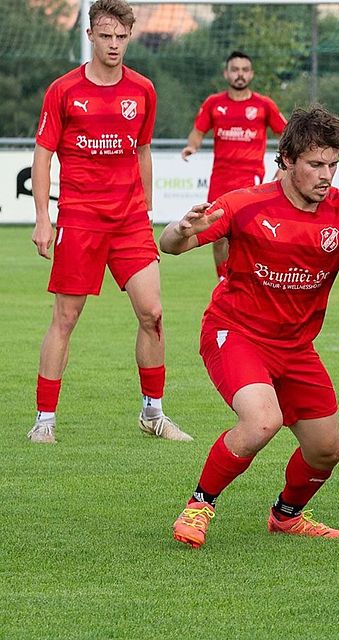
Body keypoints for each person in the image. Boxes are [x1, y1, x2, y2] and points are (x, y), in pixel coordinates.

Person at [160, 106, 339, 549]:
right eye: (316, 164)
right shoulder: (245, 204)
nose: (326, 175)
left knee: (326, 449)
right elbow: (171, 245)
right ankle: (200, 504)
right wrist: (181, 229)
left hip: (296, 347)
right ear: (287, 160)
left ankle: (286, 516)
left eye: (334, 164)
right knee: (262, 422)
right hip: (235, 333)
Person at [27, 0, 191, 444]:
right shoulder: (63, 90)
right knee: (66, 317)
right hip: (79, 220)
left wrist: (147, 209)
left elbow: (141, 150)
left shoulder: (143, 90)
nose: (114, 44)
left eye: (121, 37)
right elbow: (43, 156)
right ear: (91, 36)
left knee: (153, 314)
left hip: (130, 223)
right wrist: (43, 219)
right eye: (106, 36)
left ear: (128, 37)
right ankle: (44, 420)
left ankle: (153, 413)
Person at [181, 51, 287, 280]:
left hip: (251, 180)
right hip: (220, 179)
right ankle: (223, 279)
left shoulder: (264, 105)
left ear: (251, 74)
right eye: (235, 69)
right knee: (216, 232)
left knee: (250, 232)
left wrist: (285, 165)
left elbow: (288, 135)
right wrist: (192, 147)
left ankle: (252, 276)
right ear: (226, 73)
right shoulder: (214, 103)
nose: (240, 74)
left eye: (244, 70)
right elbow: (198, 131)